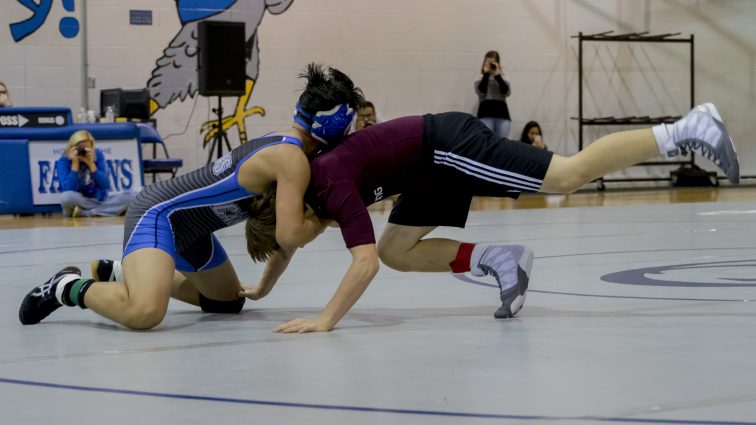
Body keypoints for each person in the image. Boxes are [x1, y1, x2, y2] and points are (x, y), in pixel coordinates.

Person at [253, 103, 738, 333]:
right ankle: (501, 259)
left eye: (302, 232)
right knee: (395, 248)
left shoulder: (329, 187)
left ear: (298, 213)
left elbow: (361, 266)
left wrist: (324, 320)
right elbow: (288, 241)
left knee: (566, 175)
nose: (305, 238)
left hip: (445, 145)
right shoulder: (305, 193)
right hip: (428, 170)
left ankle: (684, 129)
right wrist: (260, 291)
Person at [19, 63, 364, 330]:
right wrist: (327, 218)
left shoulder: (289, 151)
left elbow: (285, 236)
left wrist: (263, 286)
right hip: (158, 214)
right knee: (146, 313)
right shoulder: (291, 159)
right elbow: (288, 235)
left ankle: (121, 275)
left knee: (227, 302)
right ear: (337, 124)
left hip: (192, 230)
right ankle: (65, 286)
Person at [56, 130, 136, 217]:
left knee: (134, 196)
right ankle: (108, 211)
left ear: (92, 147)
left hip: (99, 200)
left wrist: (91, 164)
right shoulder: (64, 160)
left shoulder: (97, 155)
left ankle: (88, 213)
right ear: (72, 147)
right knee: (66, 197)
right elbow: (67, 188)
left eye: (85, 148)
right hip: (79, 201)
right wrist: (75, 164)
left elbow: (105, 185)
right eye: (79, 148)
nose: (82, 151)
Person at [475, 51, 511, 138]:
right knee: (486, 142)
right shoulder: (479, 77)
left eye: (493, 63)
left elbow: (506, 93)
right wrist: (486, 74)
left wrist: (497, 76)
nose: (490, 65)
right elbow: (481, 92)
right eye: (488, 62)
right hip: (485, 114)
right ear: (484, 62)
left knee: (502, 144)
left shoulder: (504, 76)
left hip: (502, 115)